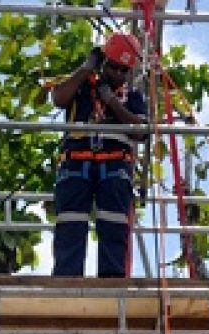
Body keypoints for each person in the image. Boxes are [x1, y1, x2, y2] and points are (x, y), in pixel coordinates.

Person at [51, 32, 147, 278]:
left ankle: (112, 281)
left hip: (114, 165)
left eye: (124, 70)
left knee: (114, 224)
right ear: (104, 63)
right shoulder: (82, 86)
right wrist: (85, 69)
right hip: (77, 162)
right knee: (71, 223)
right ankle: (66, 280)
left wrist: (113, 103)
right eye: (114, 67)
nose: (118, 74)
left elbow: (142, 132)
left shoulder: (132, 97)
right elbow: (58, 98)